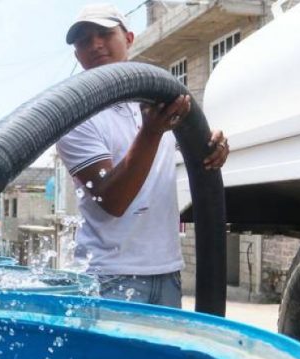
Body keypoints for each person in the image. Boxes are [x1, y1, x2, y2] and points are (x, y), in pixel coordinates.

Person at [56, 3, 229, 308]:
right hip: (108, 277)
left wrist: (212, 146)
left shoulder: (157, 101)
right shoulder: (74, 117)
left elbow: (192, 147)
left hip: (167, 272)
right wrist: (150, 133)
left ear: (129, 38)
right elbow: (113, 199)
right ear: (77, 55)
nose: (95, 44)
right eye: (84, 40)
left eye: (104, 34)